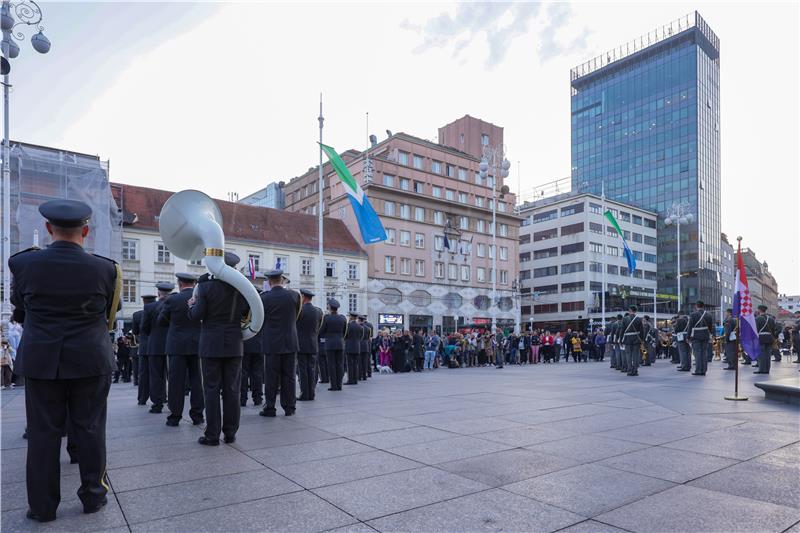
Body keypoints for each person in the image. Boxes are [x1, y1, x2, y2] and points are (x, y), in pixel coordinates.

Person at [9, 199, 119, 522]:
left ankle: (42, 507)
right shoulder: (107, 269)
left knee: (43, 433)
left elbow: (20, 307)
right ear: (85, 230)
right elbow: (109, 317)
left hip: (43, 359)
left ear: (47, 229)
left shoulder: (24, 265)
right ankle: (93, 497)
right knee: (91, 429)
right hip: (90, 358)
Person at [188, 252, 249, 445]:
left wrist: (190, 306)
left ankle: (212, 434)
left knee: (211, 389)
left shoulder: (205, 287)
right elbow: (249, 312)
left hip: (211, 344)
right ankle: (230, 433)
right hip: (234, 343)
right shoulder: (242, 289)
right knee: (232, 389)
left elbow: (196, 315)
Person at [159, 272, 204, 427]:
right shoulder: (200, 297)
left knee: (175, 382)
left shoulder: (172, 299)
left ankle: (174, 416)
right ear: (194, 283)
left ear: (179, 283)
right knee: (197, 381)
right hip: (197, 344)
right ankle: (197, 415)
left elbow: (161, 320)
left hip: (176, 345)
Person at [259, 269, 301, 416]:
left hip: (271, 342)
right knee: (289, 377)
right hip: (290, 341)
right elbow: (296, 315)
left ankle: (270, 407)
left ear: (269, 282)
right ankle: (290, 407)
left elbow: (260, 319)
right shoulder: (295, 296)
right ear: (282, 280)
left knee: (271, 377)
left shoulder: (264, 298)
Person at [142, 281, 174, 413]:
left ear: (158, 293)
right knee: (173, 376)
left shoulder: (149, 307)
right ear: (170, 293)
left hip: (155, 345)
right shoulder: (174, 304)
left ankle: (157, 404)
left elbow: (144, 328)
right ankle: (173, 403)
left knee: (156, 376)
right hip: (172, 345)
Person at [296, 289, 323, 402]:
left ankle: (304, 393)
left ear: (303, 297)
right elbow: (319, 327)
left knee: (302, 369)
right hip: (313, 343)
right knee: (311, 369)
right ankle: (311, 393)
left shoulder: (299, 310)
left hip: (301, 343)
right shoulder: (318, 311)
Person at [319, 299, 347, 390]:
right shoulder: (343, 318)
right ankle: (339, 385)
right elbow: (344, 332)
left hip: (330, 344)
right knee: (339, 364)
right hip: (340, 343)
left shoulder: (326, 318)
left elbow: (321, 331)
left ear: (330, 307)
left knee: (331, 365)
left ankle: (334, 385)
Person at [132, 295, 154, 405]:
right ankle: (161, 397)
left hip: (144, 346)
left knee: (143, 373)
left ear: (143, 301)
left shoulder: (137, 315)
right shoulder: (160, 310)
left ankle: (142, 398)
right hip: (157, 346)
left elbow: (135, 332)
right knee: (159, 374)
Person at [240, 305, 264, 407]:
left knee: (243, 373)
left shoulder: (243, 307)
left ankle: (242, 398)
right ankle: (257, 398)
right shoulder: (261, 309)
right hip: (258, 344)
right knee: (257, 373)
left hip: (245, 343)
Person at [687, 301, 714, 376]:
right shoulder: (708, 315)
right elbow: (711, 326)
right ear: (703, 306)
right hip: (705, 336)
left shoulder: (693, 314)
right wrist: (711, 334)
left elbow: (690, 327)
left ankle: (698, 370)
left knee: (697, 353)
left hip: (696, 336)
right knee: (704, 353)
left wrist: (688, 337)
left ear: (696, 306)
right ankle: (704, 370)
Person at [754, 305, 778, 374]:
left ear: (759, 310)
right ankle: (767, 369)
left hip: (761, 337)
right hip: (769, 338)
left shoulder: (758, 318)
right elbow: (773, 329)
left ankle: (762, 369)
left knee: (761, 354)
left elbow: (756, 329)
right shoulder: (771, 319)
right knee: (768, 354)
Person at [621, 306, 644, 376]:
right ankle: (635, 370)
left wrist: (621, 339)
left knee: (628, 355)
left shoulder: (625, 319)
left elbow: (622, 330)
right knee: (635, 355)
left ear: (629, 310)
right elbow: (641, 331)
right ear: (635, 311)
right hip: (636, 339)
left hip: (627, 339)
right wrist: (642, 340)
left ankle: (629, 370)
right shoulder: (638, 319)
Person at [344, 312, 363, 384]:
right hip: (357, 347)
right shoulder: (360, 327)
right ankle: (355, 380)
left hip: (349, 346)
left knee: (350, 365)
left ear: (351, 317)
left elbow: (344, 336)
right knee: (355, 364)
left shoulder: (348, 326)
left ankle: (350, 380)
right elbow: (361, 337)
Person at [358, 315, 372, 379]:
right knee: (365, 361)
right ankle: (364, 375)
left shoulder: (359, 327)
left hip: (360, 345)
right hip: (366, 345)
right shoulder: (368, 328)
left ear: (359, 320)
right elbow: (369, 337)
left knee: (360, 361)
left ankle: (360, 375)